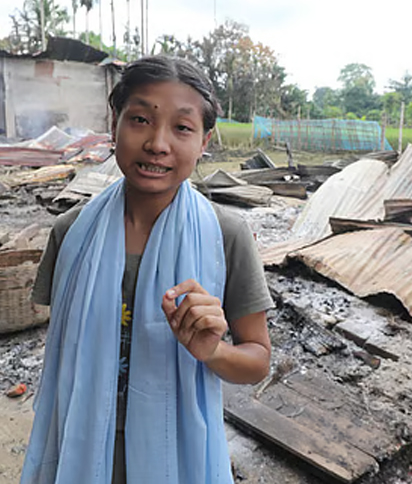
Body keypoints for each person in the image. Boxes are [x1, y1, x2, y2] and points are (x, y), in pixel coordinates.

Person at [21, 55, 273, 484]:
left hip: (175, 447)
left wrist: (213, 350)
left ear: (205, 140)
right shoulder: (72, 233)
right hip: (79, 436)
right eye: (140, 119)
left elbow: (257, 361)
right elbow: (64, 346)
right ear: (114, 122)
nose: (158, 143)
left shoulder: (225, 236)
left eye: (182, 127)